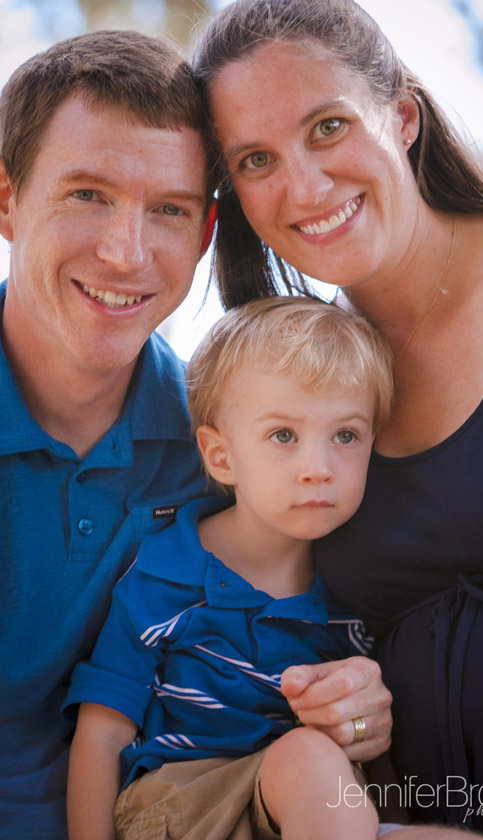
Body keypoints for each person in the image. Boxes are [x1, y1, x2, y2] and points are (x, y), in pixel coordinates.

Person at [193, 1, 483, 838]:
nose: (304, 186)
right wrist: (348, 696)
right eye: (257, 159)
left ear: (403, 117)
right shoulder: (292, 389)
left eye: (329, 126)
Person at [0, 29, 392, 840]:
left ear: (207, 233)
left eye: (169, 210)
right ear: (7, 200)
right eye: (87, 194)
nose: (125, 252)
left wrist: (355, 707)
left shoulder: (228, 450)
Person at [64, 295, 408, 840]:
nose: (318, 469)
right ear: (221, 456)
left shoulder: (358, 594)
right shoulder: (166, 574)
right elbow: (102, 734)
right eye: (283, 436)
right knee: (309, 760)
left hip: (307, 814)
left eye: (345, 435)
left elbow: (365, 745)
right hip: (181, 806)